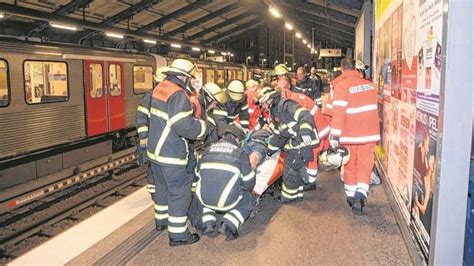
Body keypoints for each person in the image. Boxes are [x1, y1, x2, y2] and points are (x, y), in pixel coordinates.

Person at [147, 58, 208, 246]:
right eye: (191, 78)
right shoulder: (178, 95)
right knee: (179, 193)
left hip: (155, 153)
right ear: (183, 76)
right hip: (172, 154)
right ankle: (178, 235)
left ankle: (161, 222)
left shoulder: (161, 88)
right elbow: (184, 126)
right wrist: (202, 128)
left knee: (162, 190)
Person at [329, 58, 380, 214]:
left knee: (350, 165)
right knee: (366, 164)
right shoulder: (370, 85)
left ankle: (351, 197)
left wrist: (334, 136)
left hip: (350, 134)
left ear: (342, 70)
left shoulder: (341, 86)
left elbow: (338, 113)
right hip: (369, 133)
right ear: (356, 69)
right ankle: (361, 193)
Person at [257, 86, 318, 204]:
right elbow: (279, 136)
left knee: (289, 172)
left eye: (263, 104)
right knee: (295, 170)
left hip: (302, 143)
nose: (262, 107)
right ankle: (298, 194)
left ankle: (288, 197)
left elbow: (305, 115)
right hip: (297, 144)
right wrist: (270, 150)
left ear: (269, 100)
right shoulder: (276, 113)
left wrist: (305, 132)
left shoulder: (286, 105)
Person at [196, 125, 255, 241]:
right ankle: (229, 224)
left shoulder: (207, 150)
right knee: (248, 198)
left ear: (223, 136)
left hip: (205, 199)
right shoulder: (240, 153)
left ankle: (207, 222)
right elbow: (249, 183)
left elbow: (197, 174)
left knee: (207, 190)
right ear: (237, 140)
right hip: (227, 202)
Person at [135, 66, 168, 199]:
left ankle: (158, 194)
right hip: (155, 140)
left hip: (161, 140)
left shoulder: (159, 97)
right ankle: (156, 194)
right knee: (155, 168)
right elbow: (141, 119)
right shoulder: (149, 97)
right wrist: (144, 137)